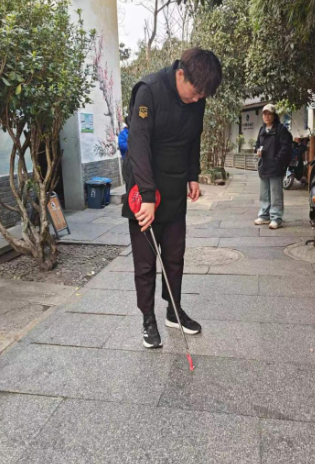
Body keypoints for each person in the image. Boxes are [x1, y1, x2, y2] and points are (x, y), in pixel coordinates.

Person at [122, 48, 223, 349]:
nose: (197, 99)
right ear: (180, 74)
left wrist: (193, 175)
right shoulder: (148, 91)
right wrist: (147, 195)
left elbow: (193, 139)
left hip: (176, 186)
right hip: (145, 188)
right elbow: (138, 145)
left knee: (175, 256)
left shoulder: (197, 99)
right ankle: (147, 318)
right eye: (195, 92)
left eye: (202, 96)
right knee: (145, 262)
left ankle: (173, 310)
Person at [253, 104, 292, 229]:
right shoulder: (262, 130)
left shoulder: (281, 130)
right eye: (264, 114)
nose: (266, 116)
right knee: (264, 194)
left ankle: (276, 218)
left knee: (276, 194)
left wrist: (278, 161)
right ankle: (264, 216)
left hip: (276, 167)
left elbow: (286, 148)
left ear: (274, 115)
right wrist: (257, 150)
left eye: (269, 113)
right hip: (264, 166)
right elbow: (257, 145)